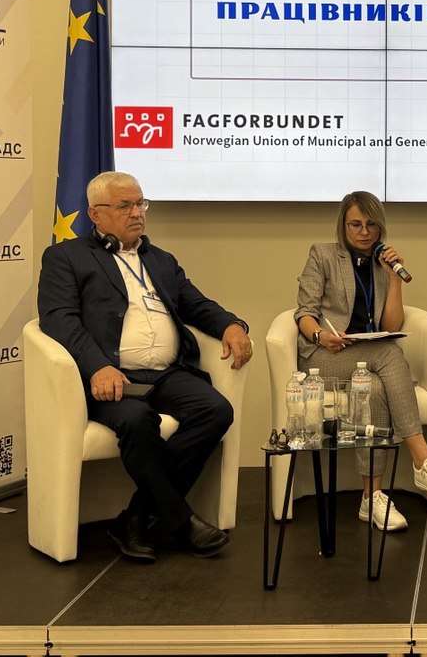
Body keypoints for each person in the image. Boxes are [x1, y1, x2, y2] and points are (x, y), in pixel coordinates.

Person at [37, 172, 252, 563]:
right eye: (125, 206)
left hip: (167, 374)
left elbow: (196, 305)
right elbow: (59, 320)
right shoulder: (66, 257)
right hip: (111, 377)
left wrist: (232, 325)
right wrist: (97, 367)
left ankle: (135, 517)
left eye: (141, 204)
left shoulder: (161, 260)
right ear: (95, 214)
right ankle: (182, 522)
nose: (137, 213)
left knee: (216, 410)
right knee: (137, 420)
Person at [296, 191, 427, 532]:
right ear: (343, 226)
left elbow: (390, 325)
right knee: (389, 352)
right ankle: (423, 458)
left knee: (372, 387)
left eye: (371, 225)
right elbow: (304, 313)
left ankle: (371, 497)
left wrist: (393, 278)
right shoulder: (323, 255)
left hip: (366, 360)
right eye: (355, 224)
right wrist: (320, 336)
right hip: (325, 356)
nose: (364, 232)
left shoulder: (382, 263)